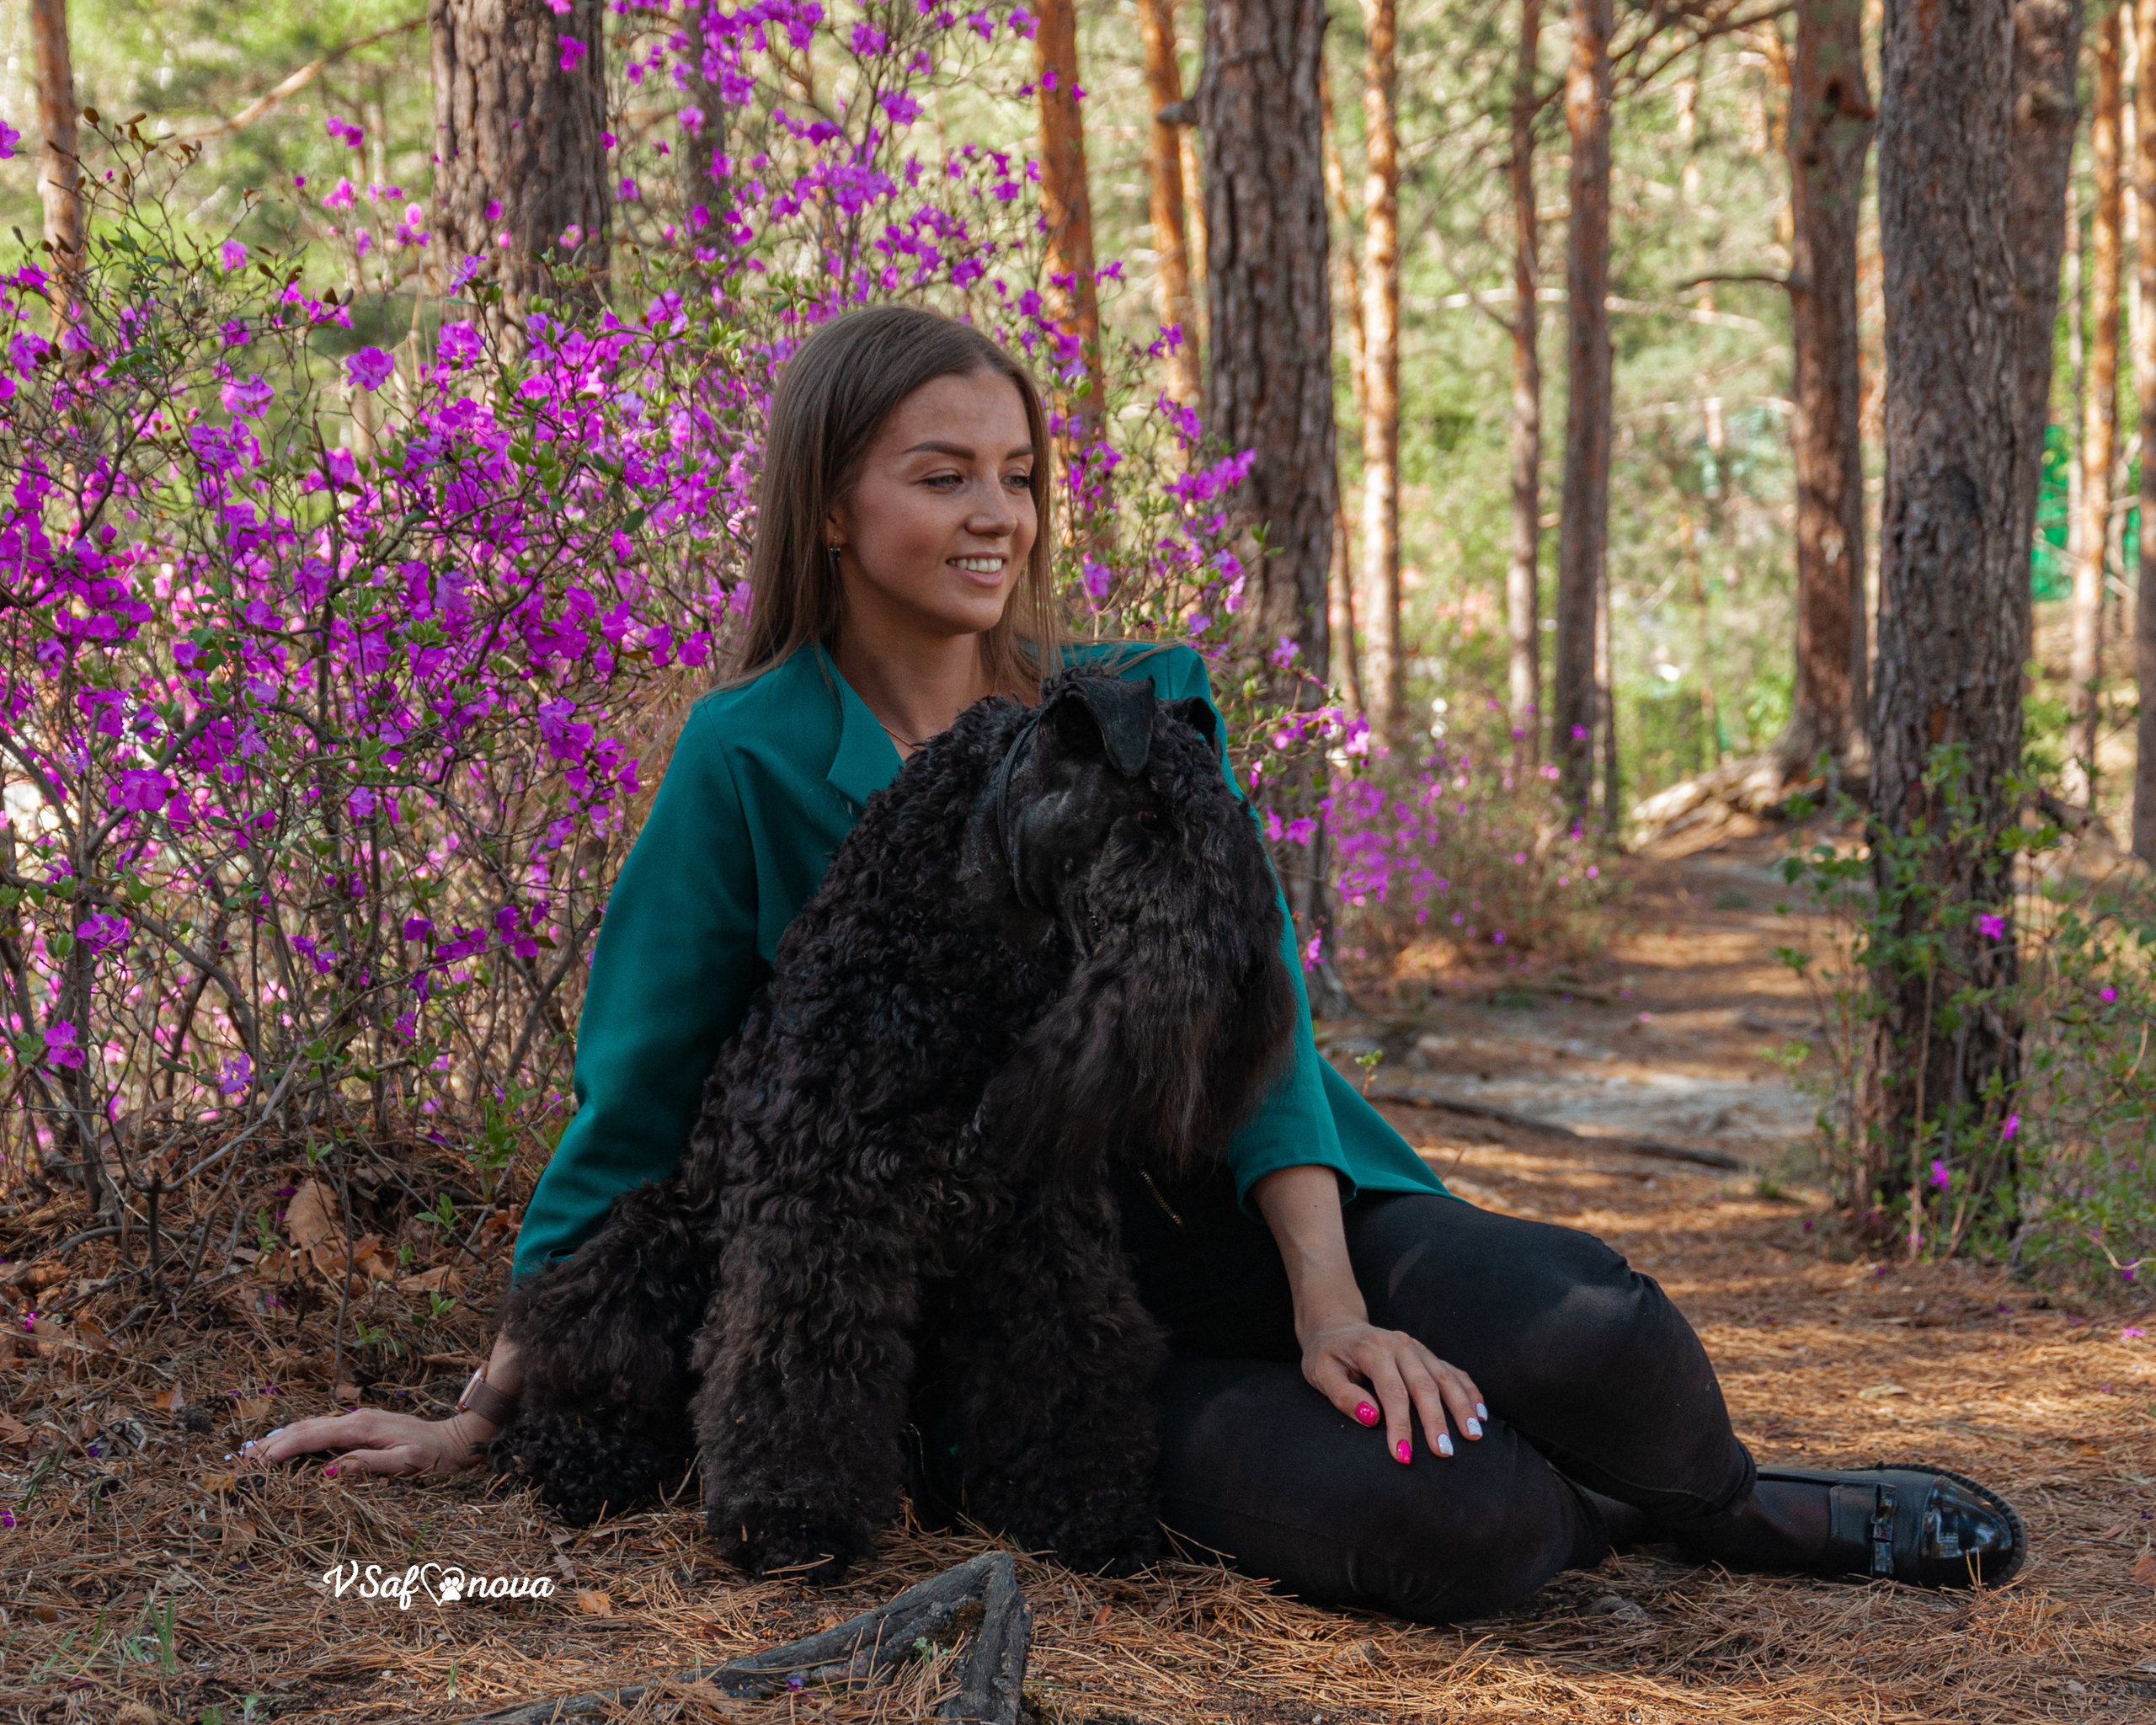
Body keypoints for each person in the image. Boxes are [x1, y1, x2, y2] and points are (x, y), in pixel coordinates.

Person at [245, 305, 2024, 1622]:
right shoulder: (746, 755)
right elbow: (637, 1103)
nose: (994, 513)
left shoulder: (1141, 699)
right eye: (939, 475)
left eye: (1015, 475)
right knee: (1457, 1524)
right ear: (830, 505)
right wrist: (494, 1401)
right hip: (1042, 1317)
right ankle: (1592, 1516)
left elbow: (1263, 1027)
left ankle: (1734, 1508)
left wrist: (1334, 1299)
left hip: (1260, 1214)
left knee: (1603, 1328)